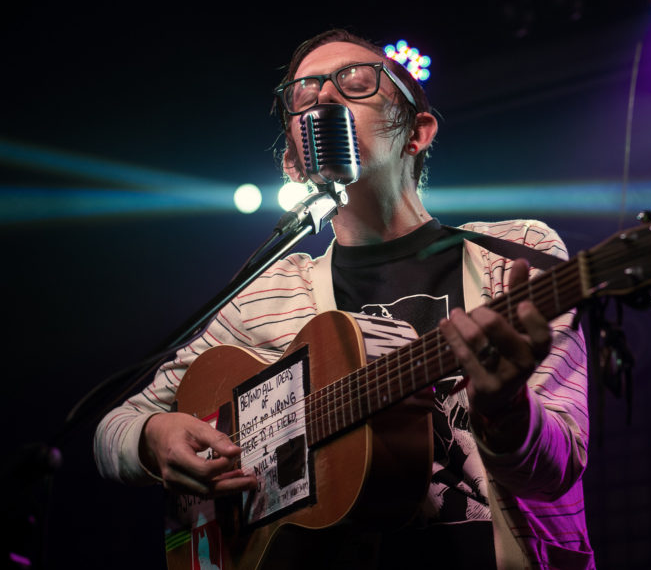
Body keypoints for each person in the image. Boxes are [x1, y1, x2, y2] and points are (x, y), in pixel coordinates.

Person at [94, 29, 594, 569]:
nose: (325, 97)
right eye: (303, 96)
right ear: (293, 162)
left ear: (417, 133)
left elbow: (557, 467)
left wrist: (505, 409)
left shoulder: (515, 255)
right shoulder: (266, 295)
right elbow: (111, 431)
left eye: (355, 82)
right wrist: (154, 436)